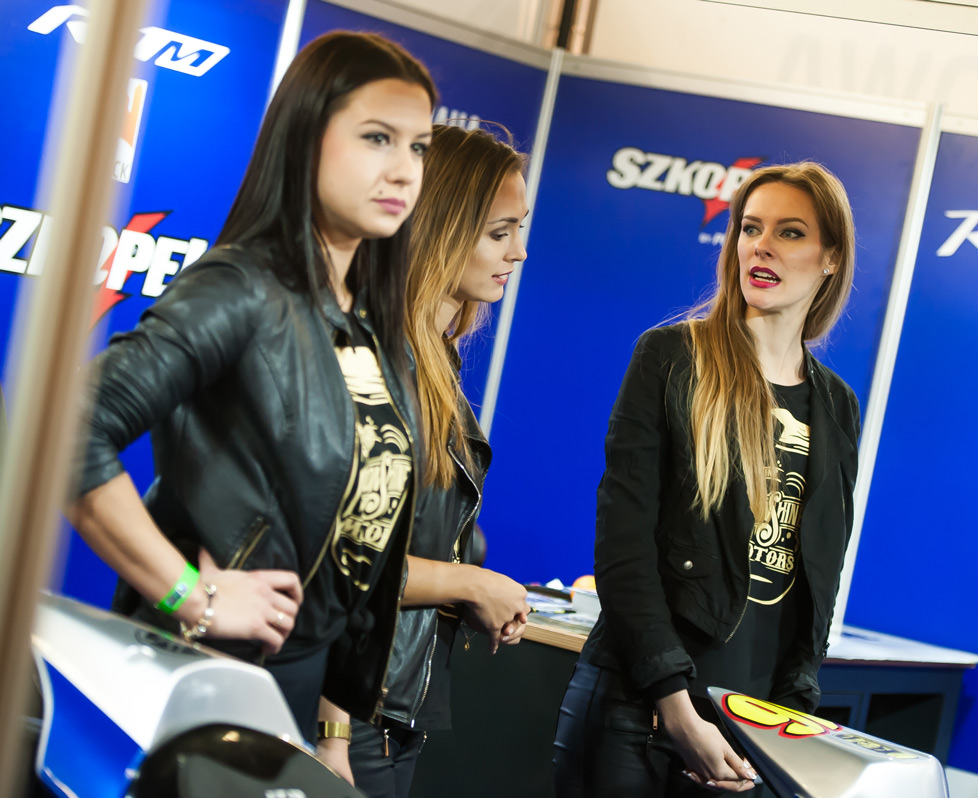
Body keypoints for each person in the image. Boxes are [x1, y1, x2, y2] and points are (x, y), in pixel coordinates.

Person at [67, 31, 436, 742]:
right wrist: (188, 593)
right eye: (377, 138)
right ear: (305, 136)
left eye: (418, 147)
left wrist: (332, 735)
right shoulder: (241, 287)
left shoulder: (367, 320)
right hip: (208, 674)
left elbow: (350, 552)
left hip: (294, 690)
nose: (404, 171)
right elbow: (66, 428)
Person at [554, 162, 862, 796]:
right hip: (638, 715)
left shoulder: (836, 406)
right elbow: (624, 548)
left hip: (751, 732)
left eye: (790, 232)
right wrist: (675, 706)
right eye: (750, 228)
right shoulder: (672, 358)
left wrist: (786, 721)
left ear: (831, 258)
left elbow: (819, 583)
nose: (762, 246)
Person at [316, 123, 533, 796]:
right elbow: (337, 563)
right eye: (499, 233)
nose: (518, 251)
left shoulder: (435, 361)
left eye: (519, 229)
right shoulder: (373, 362)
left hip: (393, 710)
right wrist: (469, 583)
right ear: (441, 229)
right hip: (347, 717)